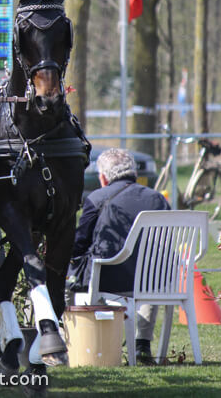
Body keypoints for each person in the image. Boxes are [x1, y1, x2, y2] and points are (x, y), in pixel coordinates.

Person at [67, 147, 170, 364]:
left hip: (108, 279)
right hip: (155, 281)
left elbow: (79, 244)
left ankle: (73, 341)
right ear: (134, 173)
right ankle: (142, 344)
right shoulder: (158, 199)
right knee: (148, 270)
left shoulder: (97, 198)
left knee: (67, 276)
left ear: (103, 178)